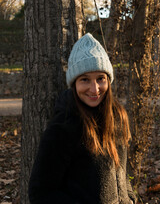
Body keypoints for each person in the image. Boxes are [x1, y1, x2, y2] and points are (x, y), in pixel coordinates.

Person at [28, 33, 137, 204]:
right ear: (74, 83)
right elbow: (40, 193)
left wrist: (130, 199)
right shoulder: (63, 128)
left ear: (108, 80)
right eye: (85, 80)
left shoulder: (118, 118)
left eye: (100, 79)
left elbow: (121, 172)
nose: (94, 89)